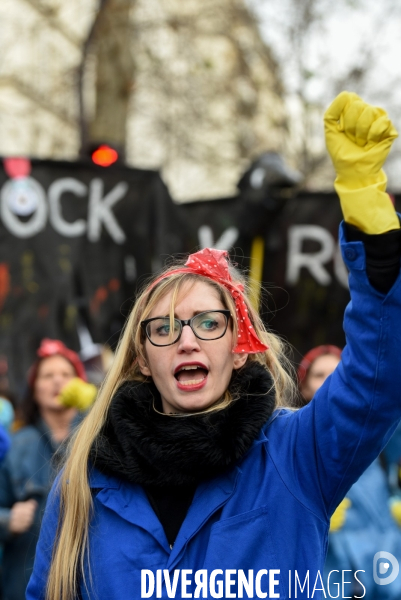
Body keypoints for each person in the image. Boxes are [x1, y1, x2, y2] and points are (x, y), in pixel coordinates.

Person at [27, 91, 401, 600]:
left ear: (240, 347)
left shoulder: (297, 455)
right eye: (163, 328)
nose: (185, 340)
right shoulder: (84, 479)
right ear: (142, 357)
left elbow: (377, 382)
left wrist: (372, 233)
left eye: (207, 323)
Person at [298, 344, 401, 598]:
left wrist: (395, 504)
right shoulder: (291, 446)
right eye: (320, 375)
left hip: (384, 572)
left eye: (338, 374)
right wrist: (309, 519)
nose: (330, 382)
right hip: (327, 578)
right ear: (304, 387)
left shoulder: (384, 436)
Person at [0, 339, 92, 600]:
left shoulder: (102, 440)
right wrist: (8, 520)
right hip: (23, 586)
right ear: (34, 388)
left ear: (80, 383)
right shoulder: (15, 446)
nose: (57, 381)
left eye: (65, 374)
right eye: (47, 375)